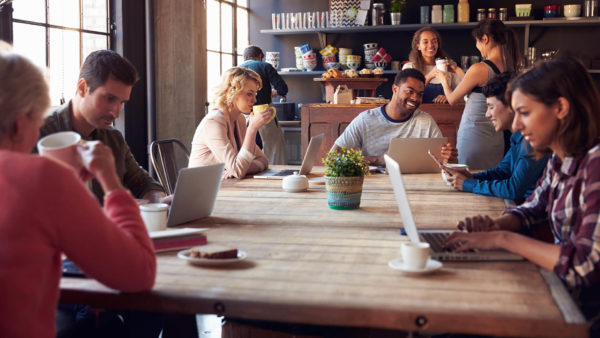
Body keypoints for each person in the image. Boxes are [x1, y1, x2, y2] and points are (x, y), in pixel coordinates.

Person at [0, 43, 156, 338]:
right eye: (36, 120)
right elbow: (140, 273)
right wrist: (110, 183)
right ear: (21, 123)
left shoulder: (111, 139)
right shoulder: (41, 174)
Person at [444, 57, 600, 334]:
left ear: (561, 108)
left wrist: (502, 238)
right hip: (558, 294)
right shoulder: (560, 158)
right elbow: (532, 208)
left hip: (582, 318)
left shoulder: (595, 165)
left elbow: (584, 265)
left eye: (524, 113)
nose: (515, 126)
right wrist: (494, 226)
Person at [38, 50, 166, 204]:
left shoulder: (114, 138)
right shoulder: (38, 132)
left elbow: (142, 182)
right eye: (109, 98)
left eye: (122, 102)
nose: (116, 112)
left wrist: (159, 202)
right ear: (82, 88)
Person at [444, 72, 549, 204]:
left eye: (490, 107)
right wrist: (470, 177)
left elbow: (514, 189)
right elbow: (502, 171)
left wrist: (468, 184)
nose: (487, 115)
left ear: (512, 105)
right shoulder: (518, 137)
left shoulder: (533, 141)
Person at [436, 19, 521, 170]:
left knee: (469, 179)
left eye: (477, 41)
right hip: (495, 138)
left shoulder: (480, 68)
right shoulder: (509, 66)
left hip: (475, 135)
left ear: (485, 39)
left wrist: (442, 79)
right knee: (489, 181)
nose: (477, 46)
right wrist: (457, 70)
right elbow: (479, 87)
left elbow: (452, 99)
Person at [331, 68, 457, 166]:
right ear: (395, 89)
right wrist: (377, 159)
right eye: (410, 91)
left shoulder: (426, 121)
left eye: (420, 94)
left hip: (416, 186)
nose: (415, 98)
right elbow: (332, 157)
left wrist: (449, 159)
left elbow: (443, 161)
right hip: (373, 189)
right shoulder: (365, 119)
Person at [188, 67, 270, 178]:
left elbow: (263, 161)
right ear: (232, 92)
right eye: (249, 94)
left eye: (255, 94)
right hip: (201, 191)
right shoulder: (214, 122)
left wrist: (241, 169)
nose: (255, 100)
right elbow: (238, 170)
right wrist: (252, 128)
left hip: (223, 186)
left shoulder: (239, 119)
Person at [240, 45, 288, 165]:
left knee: (249, 148)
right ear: (260, 56)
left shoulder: (237, 69)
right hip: (264, 113)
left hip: (243, 116)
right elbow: (283, 89)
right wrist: (274, 92)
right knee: (274, 147)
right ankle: (275, 174)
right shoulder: (265, 66)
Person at [402, 27, 464, 104]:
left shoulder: (449, 66)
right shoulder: (410, 68)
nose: (431, 45)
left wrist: (449, 98)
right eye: (425, 42)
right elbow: (406, 96)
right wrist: (430, 75)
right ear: (418, 46)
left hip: (444, 114)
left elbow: (464, 98)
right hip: (418, 114)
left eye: (434, 41)